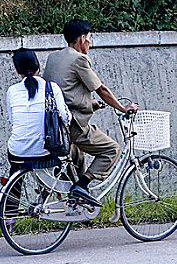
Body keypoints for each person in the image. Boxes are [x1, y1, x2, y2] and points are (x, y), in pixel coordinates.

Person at [43, 19, 138, 206]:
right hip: (74, 125)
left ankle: (78, 204)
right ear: (82, 38)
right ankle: (81, 186)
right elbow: (100, 89)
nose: (89, 43)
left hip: (55, 125)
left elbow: (65, 90)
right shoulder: (80, 59)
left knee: (78, 160)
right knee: (112, 149)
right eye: (89, 39)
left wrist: (89, 103)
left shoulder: (53, 57)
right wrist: (122, 108)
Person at [6, 48, 71, 175]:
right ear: (38, 64)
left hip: (17, 152)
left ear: (17, 70)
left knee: (15, 174)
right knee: (60, 160)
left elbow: (12, 121)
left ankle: (11, 192)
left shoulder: (12, 91)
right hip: (44, 152)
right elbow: (65, 117)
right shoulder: (52, 88)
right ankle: (56, 191)